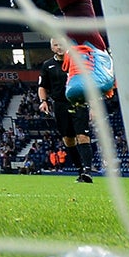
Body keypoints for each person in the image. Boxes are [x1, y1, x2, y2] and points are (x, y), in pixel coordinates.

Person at [39, 38, 95, 182]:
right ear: (52, 48)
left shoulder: (77, 62)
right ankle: (80, 170)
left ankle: (88, 170)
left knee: (82, 136)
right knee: (68, 140)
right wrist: (43, 101)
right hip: (60, 105)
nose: (59, 47)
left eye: (61, 44)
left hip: (78, 102)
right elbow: (42, 86)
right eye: (56, 45)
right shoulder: (47, 65)